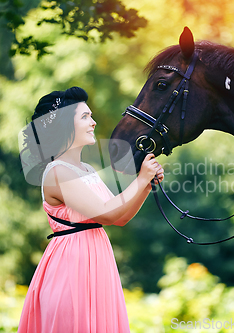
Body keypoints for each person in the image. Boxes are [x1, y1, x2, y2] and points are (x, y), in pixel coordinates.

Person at [17, 87, 164, 333]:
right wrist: (139, 180)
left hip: (96, 262)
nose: (93, 122)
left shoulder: (86, 169)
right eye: (85, 117)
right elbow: (106, 212)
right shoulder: (57, 171)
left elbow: (120, 217)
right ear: (65, 125)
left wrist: (146, 186)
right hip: (71, 268)